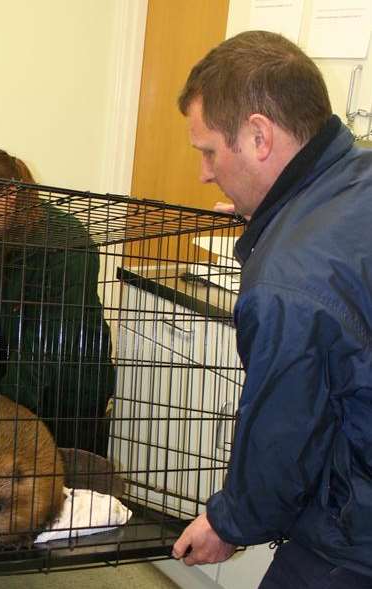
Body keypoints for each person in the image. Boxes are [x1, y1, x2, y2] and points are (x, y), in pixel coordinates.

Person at [171, 31, 372, 588]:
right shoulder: (357, 177)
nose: (205, 173)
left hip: (355, 537)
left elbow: (282, 445)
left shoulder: (289, 279)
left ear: (259, 136)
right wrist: (277, 225)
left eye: (209, 151)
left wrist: (230, 520)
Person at [0, 147, 116, 456]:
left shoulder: (66, 241)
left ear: (11, 194)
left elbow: (47, 345)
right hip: (14, 364)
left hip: (73, 383)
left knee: (62, 483)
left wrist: (0, 422)